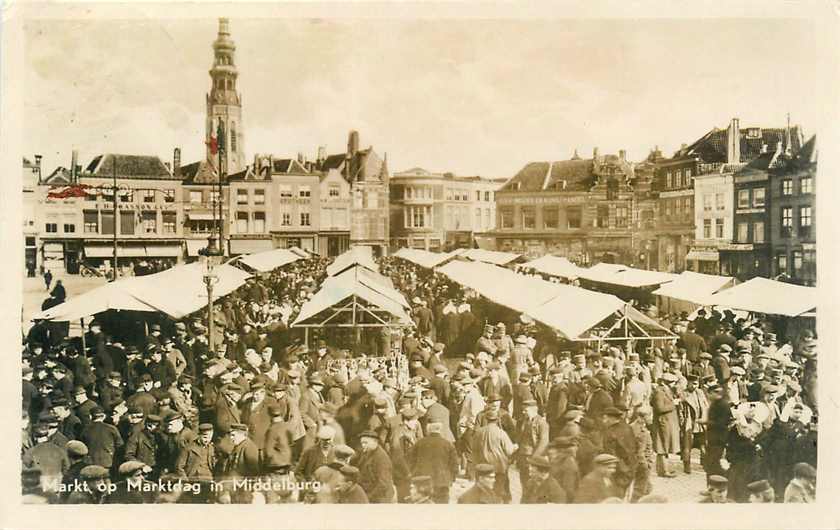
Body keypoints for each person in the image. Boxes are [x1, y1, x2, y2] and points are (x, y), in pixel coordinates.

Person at [408, 421, 458, 504]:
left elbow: (411, 461)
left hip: (423, 482)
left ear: (428, 430)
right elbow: (454, 464)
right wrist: (452, 478)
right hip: (442, 482)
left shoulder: (419, 443)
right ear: (440, 430)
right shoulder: (448, 444)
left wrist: (413, 475)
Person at [353, 430, 395, 503]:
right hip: (369, 493)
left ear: (375, 442)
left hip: (381, 498)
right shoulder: (367, 452)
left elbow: (383, 485)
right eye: (362, 443)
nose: (363, 445)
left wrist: (368, 498)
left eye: (365, 443)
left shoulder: (381, 459)